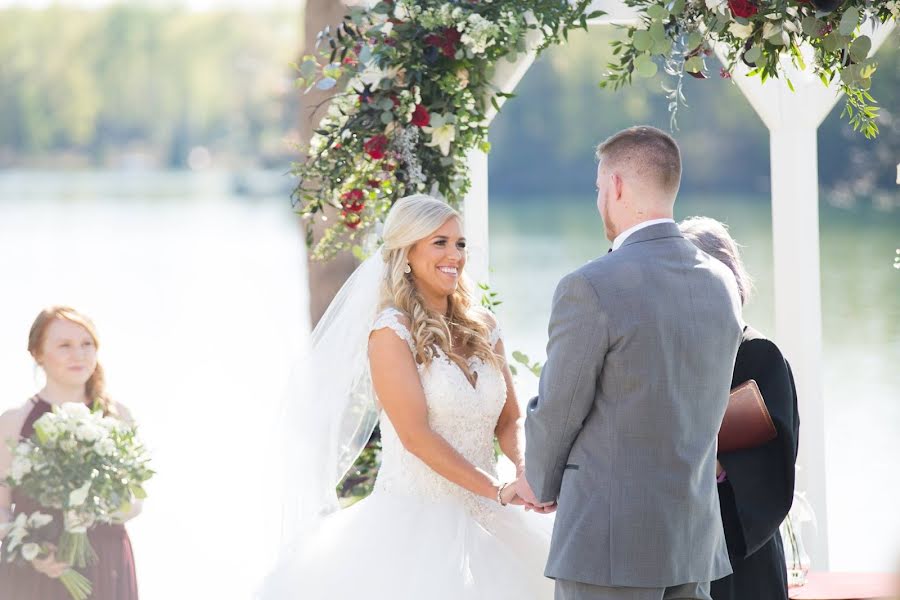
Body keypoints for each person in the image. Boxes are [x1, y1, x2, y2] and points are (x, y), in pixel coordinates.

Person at [262, 195, 555, 599]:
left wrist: (524, 469)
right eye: (440, 242)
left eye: (460, 243)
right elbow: (416, 436)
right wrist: (497, 490)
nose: (455, 254)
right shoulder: (390, 333)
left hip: (493, 517)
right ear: (407, 254)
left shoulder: (484, 326)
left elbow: (510, 420)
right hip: (414, 520)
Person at [521, 126, 744, 600]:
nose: (600, 199)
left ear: (617, 186)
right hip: (692, 537)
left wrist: (539, 483)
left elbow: (559, 407)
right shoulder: (723, 282)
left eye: (600, 188)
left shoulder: (592, 285)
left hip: (610, 543)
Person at [679, 216, 800, 600]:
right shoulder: (672, 354)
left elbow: (775, 463)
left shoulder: (758, 354)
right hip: (682, 544)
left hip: (744, 549)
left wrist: (709, 459)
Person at [0, 306, 141, 600]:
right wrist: (33, 550)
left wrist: (93, 509)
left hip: (106, 562)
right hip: (36, 572)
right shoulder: (15, 422)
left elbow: (135, 503)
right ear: (38, 354)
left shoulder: (116, 416)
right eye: (64, 345)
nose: (79, 354)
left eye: (86, 344)